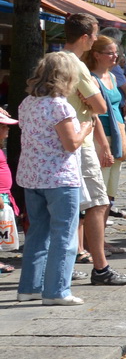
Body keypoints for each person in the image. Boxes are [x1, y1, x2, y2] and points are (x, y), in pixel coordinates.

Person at [15, 53, 99, 306]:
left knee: (37, 234)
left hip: (32, 175)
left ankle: (29, 287)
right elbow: (71, 143)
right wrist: (86, 127)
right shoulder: (59, 105)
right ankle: (57, 291)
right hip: (60, 178)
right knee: (64, 235)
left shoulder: (27, 103)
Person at [60, 16, 126, 286]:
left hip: (64, 139)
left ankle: (61, 265)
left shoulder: (56, 59)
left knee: (68, 207)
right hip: (81, 139)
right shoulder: (76, 65)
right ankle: (101, 269)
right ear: (86, 37)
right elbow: (99, 107)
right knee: (98, 204)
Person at [84, 37, 126, 228]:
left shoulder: (112, 76)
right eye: (110, 53)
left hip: (118, 135)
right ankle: (92, 240)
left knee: (110, 192)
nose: (115, 57)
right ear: (96, 55)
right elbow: (94, 114)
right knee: (99, 192)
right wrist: (104, 145)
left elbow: (117, 108)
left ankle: (101, 238)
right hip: (101, 137)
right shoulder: (91, 79)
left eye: (116, 53)